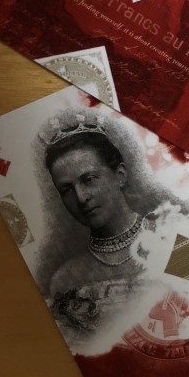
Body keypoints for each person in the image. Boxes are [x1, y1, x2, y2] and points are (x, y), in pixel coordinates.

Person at [41, 111, 151, 336]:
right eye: (67, 190)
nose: (81, 198)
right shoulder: (65, 279)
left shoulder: (173, 241)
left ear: (120, 175)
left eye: (89, 180)